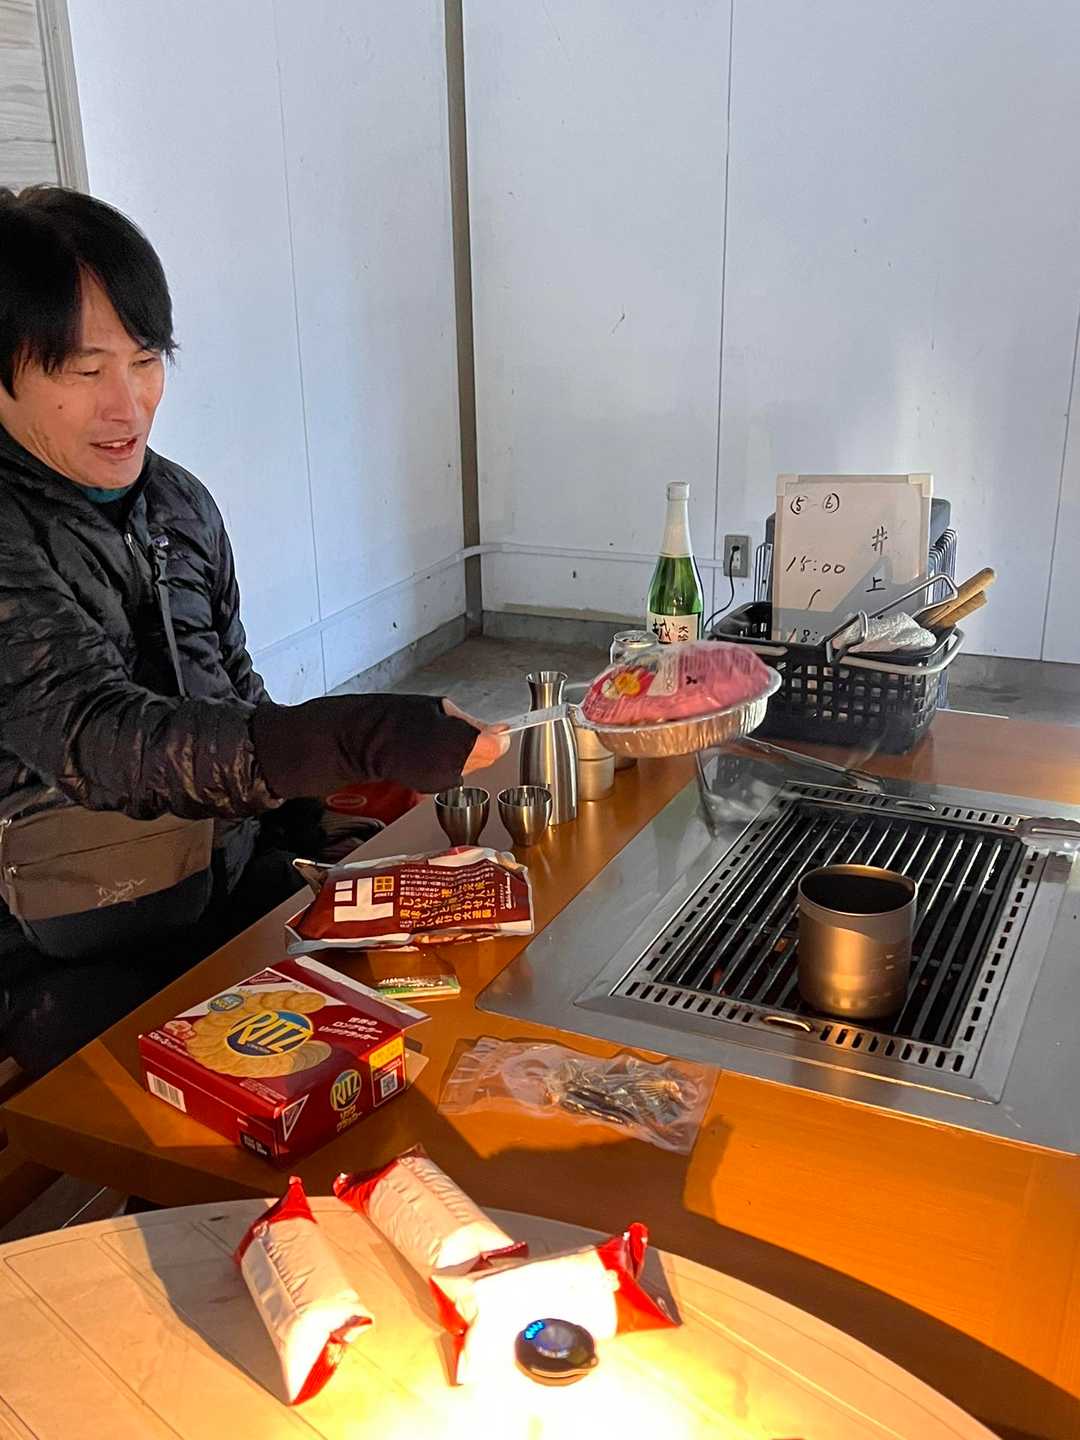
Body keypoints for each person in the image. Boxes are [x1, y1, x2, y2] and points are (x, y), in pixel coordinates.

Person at [0, 185, 508, 1074]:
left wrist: (318, 831)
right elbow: (97, 735)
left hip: (224, 888)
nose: (128, 407)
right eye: (84, 372)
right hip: (64, 951)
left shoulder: (176, 501)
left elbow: (231, 689)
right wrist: (352, 736)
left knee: (441, 1009)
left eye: (146, 361)